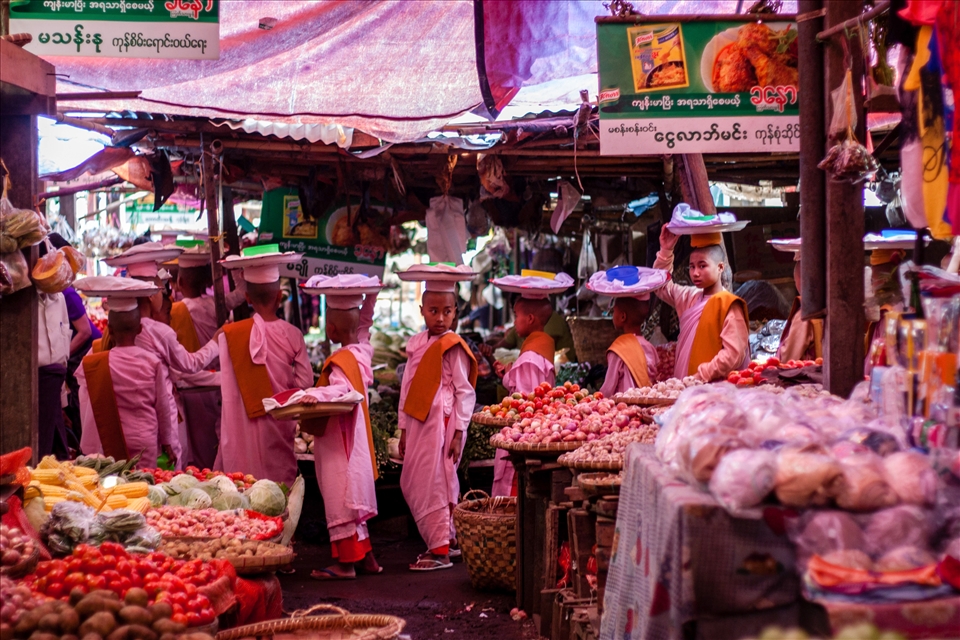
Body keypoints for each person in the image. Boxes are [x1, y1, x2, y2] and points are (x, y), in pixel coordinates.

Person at [301, 276, 381, 580]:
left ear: (330, 330)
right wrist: (369, 297)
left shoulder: (340, 361)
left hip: (341, 441)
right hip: (354, 437)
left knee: (341, 499)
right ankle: (368, 559)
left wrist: (314, 395)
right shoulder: (362, 352)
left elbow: (339, 392)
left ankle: (346, 564)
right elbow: (364, 327)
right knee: (353, 498)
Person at [397, 274, 477, 572]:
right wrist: (403, 428)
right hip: (418, 425)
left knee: (435, 483)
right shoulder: (417, 343)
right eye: (433, 311)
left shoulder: (453, 346)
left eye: (447, 311)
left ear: (456, 311)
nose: (440, 318)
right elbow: (407, 387)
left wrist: (458, 433)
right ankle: (449, 540)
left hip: (441, 426)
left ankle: (440, 548)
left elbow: (464, 392)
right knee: (413, 481)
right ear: (422, 311)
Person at [217, 247, 314, 485]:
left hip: (245, 423)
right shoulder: (293, 334)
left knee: (246, 484)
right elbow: (305, 383)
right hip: (280, 421)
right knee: (280, 485)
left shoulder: (232, 334)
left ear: (247, 299)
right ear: (280, 296)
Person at [75, 281, 179, 469]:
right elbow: (162, 407)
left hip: (110, 439)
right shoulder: (151, 362)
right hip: (144, 439)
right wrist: (167, 443)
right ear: (139, 329)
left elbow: (85, 400)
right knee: (144, 486)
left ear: (110, 330)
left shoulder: (96, 362)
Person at [169, 246, 247, 468]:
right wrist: (231, 263)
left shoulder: (174, 312)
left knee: (194, 442)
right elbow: (242, 292)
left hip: (190, 382)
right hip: (216, 380)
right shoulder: (217, 305)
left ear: (180, 283)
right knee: (214, 438)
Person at [654, 225, 750, 381]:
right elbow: (660, 286)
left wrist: (701, 375)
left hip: (714, 392)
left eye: (702, 266)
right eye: (692, 267)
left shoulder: (728, 305)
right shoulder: (689, 297)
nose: (695, 273)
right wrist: (666, 251)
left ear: (720, 267)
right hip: (685, 388)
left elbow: (734, 354)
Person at [599, 296, 659, 396]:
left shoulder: (618, 349)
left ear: (623, 317)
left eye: (614, 311)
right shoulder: (650, 347)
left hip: (623, 406)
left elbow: (608, 389)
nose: (613, 315)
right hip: (646, 403)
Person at [777, 252, 823, 363]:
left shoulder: (805, 313)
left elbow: (788, 357)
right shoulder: (837, 305)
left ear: (800, 281)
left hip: (814, 377)